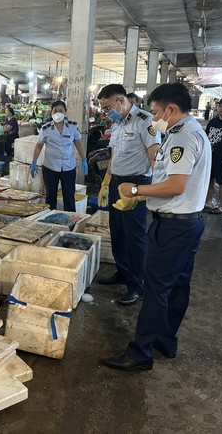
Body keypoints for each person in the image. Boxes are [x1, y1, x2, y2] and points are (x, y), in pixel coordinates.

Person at [101, 82, 211, 371]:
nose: (154, 117)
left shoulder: (182, 138)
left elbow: (175, 185)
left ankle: (141, 353)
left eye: (156, 112)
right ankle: (165, 339)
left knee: (156, 289)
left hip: (174, 227)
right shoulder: (190, 131)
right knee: (177, 284)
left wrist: (136, 191)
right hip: (189, 222)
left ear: (171, 109)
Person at [95, 84, 161, 306]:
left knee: (135, 236)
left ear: (120, 100)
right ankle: (122, 272)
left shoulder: (145, 121)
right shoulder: (117, 123)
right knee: (118, 232)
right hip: (116, 182)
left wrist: (153, 188)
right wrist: (106, 182)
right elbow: (115, 154)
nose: (105, 112)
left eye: (107, 107)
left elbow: (155, 156)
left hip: (136, 183)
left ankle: (136, 285)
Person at [30, 100, 88, 211]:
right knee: (50, 196)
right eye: (55, 111)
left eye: (60, 110)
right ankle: (49, 219)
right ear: (51, 113)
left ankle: (70, 222)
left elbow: (78, 143)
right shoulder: (45, 129)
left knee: (69, 196)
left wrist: (84, 159)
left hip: (68, 167)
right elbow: (39, 146)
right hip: (50, 167)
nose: (58, 113)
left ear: (65, 112)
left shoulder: (72, 127)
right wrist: (34, 162)